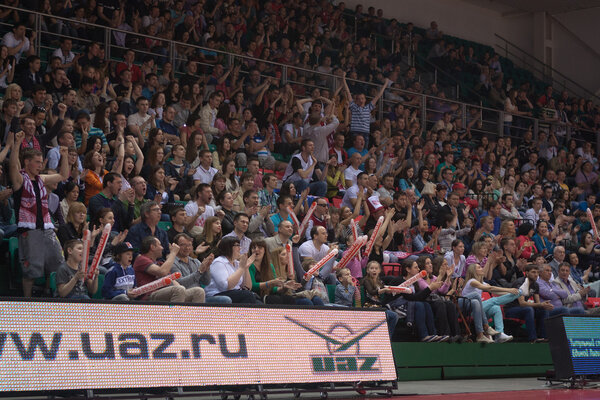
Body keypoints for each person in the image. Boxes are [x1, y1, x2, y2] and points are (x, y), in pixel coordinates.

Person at [10, 131, 69, 297]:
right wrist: (16, 144)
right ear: (27, 162)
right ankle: (27, 301)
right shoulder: (20, 180)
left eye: (40, 162)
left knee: (58, 264)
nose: (39, 165)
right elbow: (13, 166)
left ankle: (53, 296)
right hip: (30, 231)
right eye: (36, 162)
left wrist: (64, 157)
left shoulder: (41, 179)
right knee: (31, 270)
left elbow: (63, 175)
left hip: (47, 229)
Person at [133, 236, 203, 302]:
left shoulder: (159, 263)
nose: (162, 248)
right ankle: (175, 314)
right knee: (178, 290)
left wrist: (183, 290)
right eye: (160, 245)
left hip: (163, 292)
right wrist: (173, 253)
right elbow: (162, 272)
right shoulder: (142, 259)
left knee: (198, 291)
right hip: (148, 295)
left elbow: (171, 280)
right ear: (152, 247)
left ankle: (193, 315)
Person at [461, 263, 520, 343]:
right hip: (470, 311)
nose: (482, 268)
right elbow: (491, 288)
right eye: (479, 267)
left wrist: (511, 294)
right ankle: (486, 327)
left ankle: (500, 335)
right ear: (473, 271)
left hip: (480, 312)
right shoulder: (472, 281)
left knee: (496, 308)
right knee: (493, 301)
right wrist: (509, 290)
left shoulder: (482, 283)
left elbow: (495, 291)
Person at [172, 233, 231, 304]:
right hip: (185, 297)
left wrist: (207, 268)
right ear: (176, 246)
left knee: (226, 300)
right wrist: (199, 272)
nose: (187, 248)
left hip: (201, 296)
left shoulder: (195, 261)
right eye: (183, 245)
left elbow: (206, 282)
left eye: (189, 245)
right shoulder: (173, 263)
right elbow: (180, 283)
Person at [503, 264, 553, 342]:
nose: (536, 274)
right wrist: (540, 304)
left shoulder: (535, 285)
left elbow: (538, 303)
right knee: (529, 309)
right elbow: (522, 303)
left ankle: (544, 337)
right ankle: (532, 338)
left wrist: (544, 305)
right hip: (510, 309)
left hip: (522, 308)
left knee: (543, 310)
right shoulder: (520, 283)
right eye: (533, 272)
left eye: (537, 272)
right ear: (526, 273)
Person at [204, 236, 260, 303]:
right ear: (228, 247)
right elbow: (226, 286)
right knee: (247, 296)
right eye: (237, 245)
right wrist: (241, 268)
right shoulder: (218, 262)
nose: (240, 248)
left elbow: (247, 287)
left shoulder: (236, 263)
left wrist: (246, 267)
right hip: (217, 294)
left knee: (258, 301)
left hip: (234, 293)